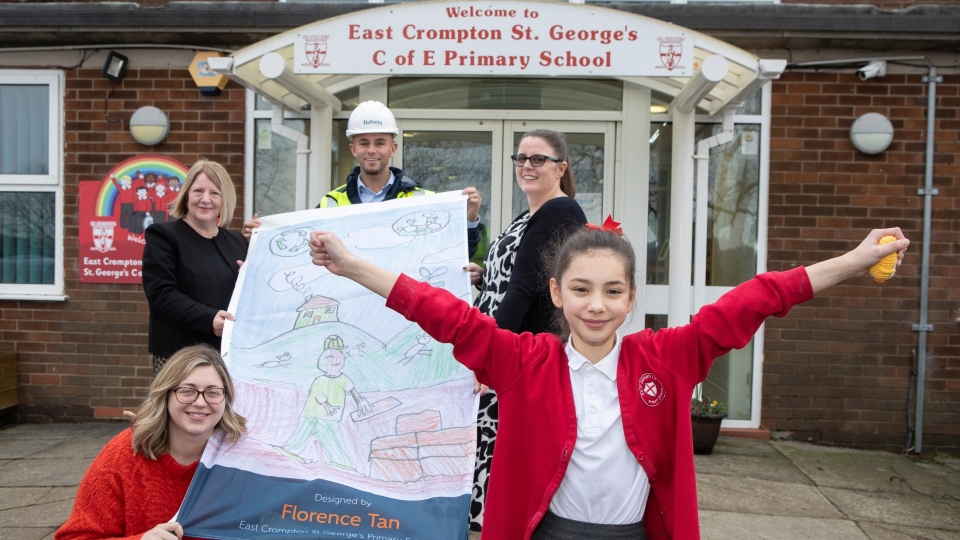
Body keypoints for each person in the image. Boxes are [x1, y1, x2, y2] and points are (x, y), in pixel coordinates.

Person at [308, 224, 908, 540]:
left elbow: (757, 299)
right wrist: (352, 264)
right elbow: (442, 312)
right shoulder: (522, 362)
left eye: (612, 291)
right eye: (582, 289)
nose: (596, 305)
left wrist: (855, 260)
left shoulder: (666, 358)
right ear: (556, 294)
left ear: (631, 300)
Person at [465, 128, 587, 531]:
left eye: (538, 159)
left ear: (560, 168)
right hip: (508, 347)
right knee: (493, 454)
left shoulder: (561, 211)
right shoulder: (531, 213)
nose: (527, 166)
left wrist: (488, 354)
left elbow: (523, 291)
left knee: (504, 458)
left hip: (519, 356)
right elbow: (512, 280)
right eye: (521, 158)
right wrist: (484, 276)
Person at [241, 100, 483, 258]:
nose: (372, 150)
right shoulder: (330, 203)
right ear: (353, 149)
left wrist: (470, 219)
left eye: (380, 142)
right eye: (364, 142)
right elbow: (303, 255)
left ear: (393, 148)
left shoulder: (422, 200)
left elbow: (460, 253)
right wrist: (261, 240)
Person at [55, 344, 246, 540]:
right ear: (165, 394)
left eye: (213, 392)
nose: (200, 402)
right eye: (187, 391)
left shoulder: (246, 458)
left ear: (226, 399)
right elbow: (74, 537)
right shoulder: (123, 455)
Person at [142, 160, 247, 376]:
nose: (205, 199)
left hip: (228, 359)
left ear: (224, 199)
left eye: (214, 193)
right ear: (187, 195)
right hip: (180, 359)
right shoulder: (164, 236)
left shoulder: (238, 242)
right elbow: (162, 294)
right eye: (198, 190)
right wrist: (209, 318)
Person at [274, 335, 372, 468]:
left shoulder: (343, 379)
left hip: (330, 417)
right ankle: (293, 450)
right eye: (329, 358)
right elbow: (317, 395)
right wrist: (326, 405)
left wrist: (360, 401)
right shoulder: (320, 380)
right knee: (304, 433)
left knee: (332, 439)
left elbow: (352, 391)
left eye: (338, 356)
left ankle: (342, 462)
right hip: (313, 414)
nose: (334, 360)